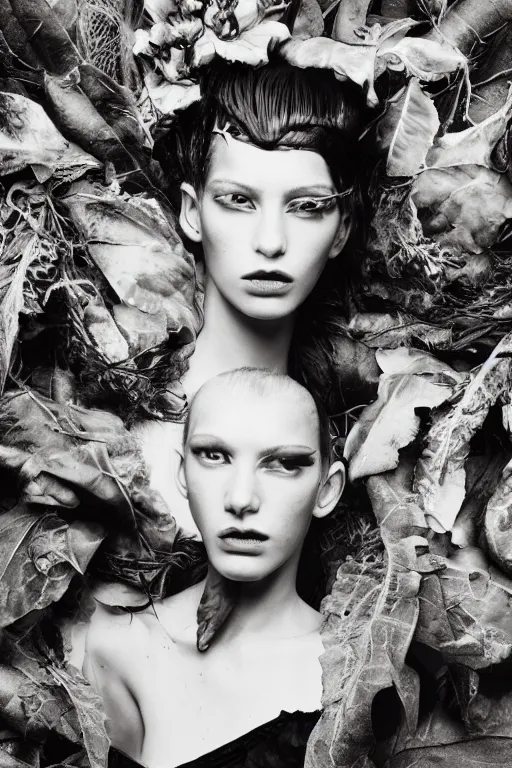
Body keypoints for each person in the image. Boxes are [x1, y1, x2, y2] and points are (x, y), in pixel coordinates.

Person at [131, 59, 369, 537]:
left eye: (306, 207)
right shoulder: (127, 437)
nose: (271, 240)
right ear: (192, 213)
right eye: (239, 200)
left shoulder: (338, 445)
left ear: (341, 229)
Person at [84, 368, 345, 768]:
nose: (241, 498)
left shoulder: (355, 675)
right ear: (181, 475)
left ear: (326, 489)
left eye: (284, 463)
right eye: (214, 456)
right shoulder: (119, 649)